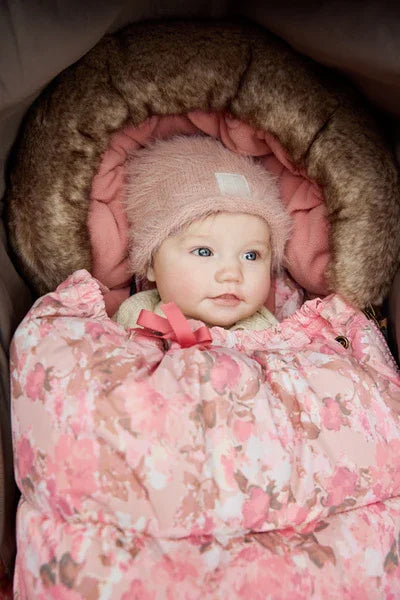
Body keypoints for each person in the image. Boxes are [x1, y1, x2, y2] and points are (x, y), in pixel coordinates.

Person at [113, 135, 292, 331]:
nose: (231, 274)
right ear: (151, 265)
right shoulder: (135, 316)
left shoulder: (269, 334)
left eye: (251, 255)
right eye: (204, 252)